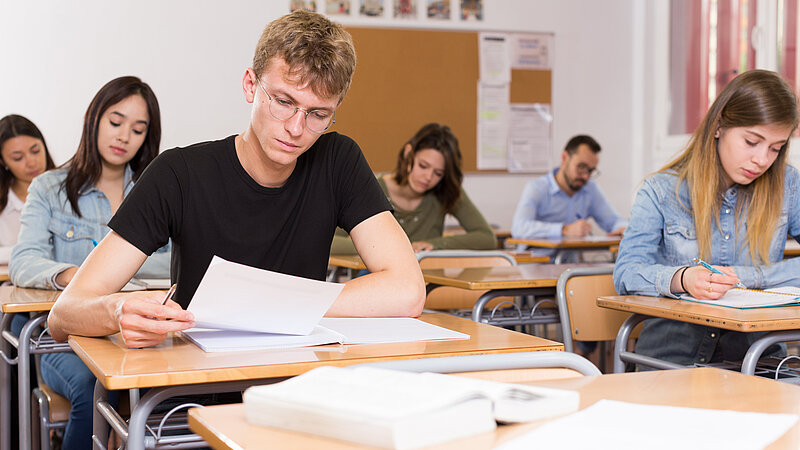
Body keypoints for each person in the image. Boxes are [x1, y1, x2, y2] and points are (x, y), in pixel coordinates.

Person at [48, 11, 425, 348]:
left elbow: (407, 291)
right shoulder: (179, 174)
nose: (296, 128)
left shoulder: (337, 160)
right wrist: (117, 310)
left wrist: (275, 304)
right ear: (250, 84)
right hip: (194, 387)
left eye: (317, 114)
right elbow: (63, 315)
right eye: (283, 101)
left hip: (298, 378)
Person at [10, 76, 170, 449]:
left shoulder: (154, 190)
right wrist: (82, 277)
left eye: (138, 129)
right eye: (116, 122)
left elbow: (177, 261)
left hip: (136, 332)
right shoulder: (50, 187)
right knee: (92, 388)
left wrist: (114, 270)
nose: (124, 136)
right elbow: (24, 261)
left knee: (166, 389)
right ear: (94, 119)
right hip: (62, 337)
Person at [613, 69, 800, 368]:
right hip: (671, 361)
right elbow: (626, 272)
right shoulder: (661, 190)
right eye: (752, 142)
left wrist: (749, 277)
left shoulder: (788, 184)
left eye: (775, 148)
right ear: (718, 126)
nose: (762, 160)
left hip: (758, 360)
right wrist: (681, 278)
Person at [331, 123, 496, 254]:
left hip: (428, 281)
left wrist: (435, 245)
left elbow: (487, 238)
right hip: (378, 279)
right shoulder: (371, 189)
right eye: (423, 166)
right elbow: (330, 242)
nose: (428, 177)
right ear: (408, 153)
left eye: (438, 173)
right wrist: (382, 250)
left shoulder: (445, 191)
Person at [510, 135, 627, 260]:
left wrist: (624, 229)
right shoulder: (537, 188)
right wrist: (564, 230)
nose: (585, 176)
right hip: (535, 266)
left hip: (570, 270)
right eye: (581, 167)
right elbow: (519, 228)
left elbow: (613, 220)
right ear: (564, 158)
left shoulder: (590, 189)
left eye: (591, 171)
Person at [0, 115, 55, 264]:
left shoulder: (69, 190)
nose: (31, 163)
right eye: (18, 158)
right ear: (3, 161)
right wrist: (29, 251)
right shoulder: (4, 202)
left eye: (35, 150)